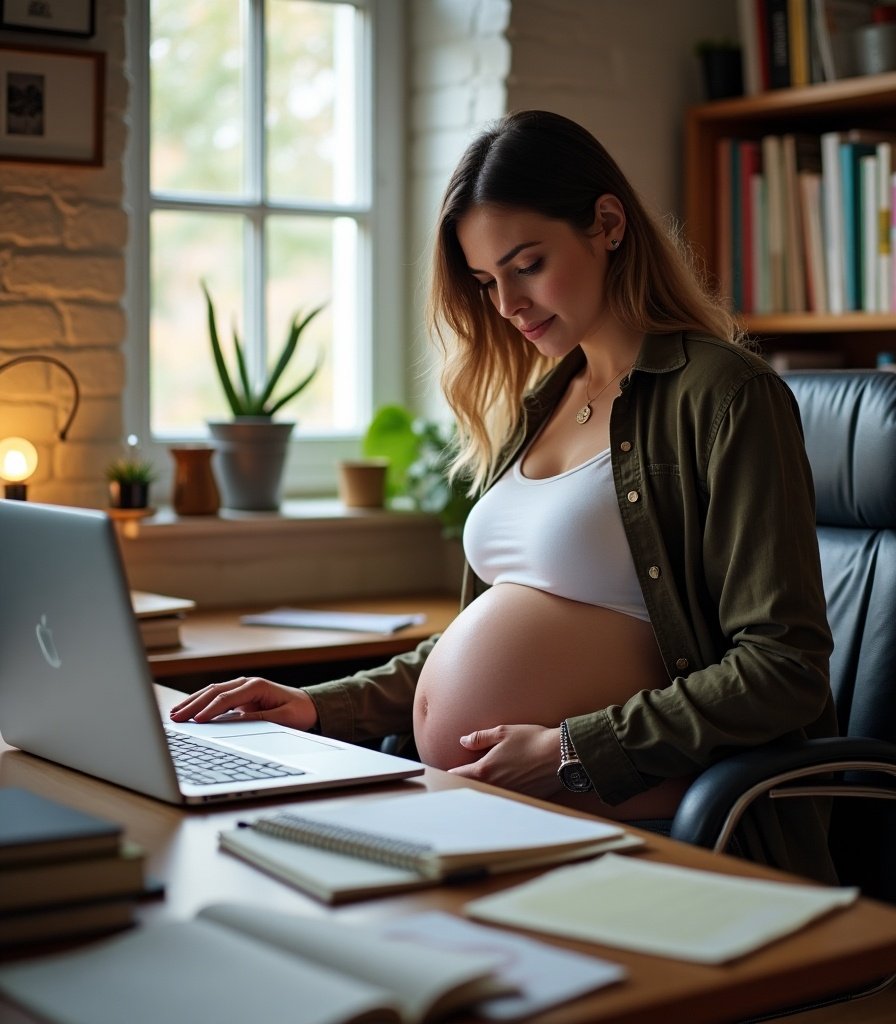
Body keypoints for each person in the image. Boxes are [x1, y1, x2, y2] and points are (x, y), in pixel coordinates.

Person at [171, 110, 838, 881]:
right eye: (487, 281)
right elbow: (474, 641)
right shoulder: (543, 401)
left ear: (607, 224)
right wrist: (320, 705)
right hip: (502, 800)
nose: (507, 305)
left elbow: (783, 667)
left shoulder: (724, 396)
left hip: (632, 802)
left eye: (527, 264)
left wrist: (572, 751)